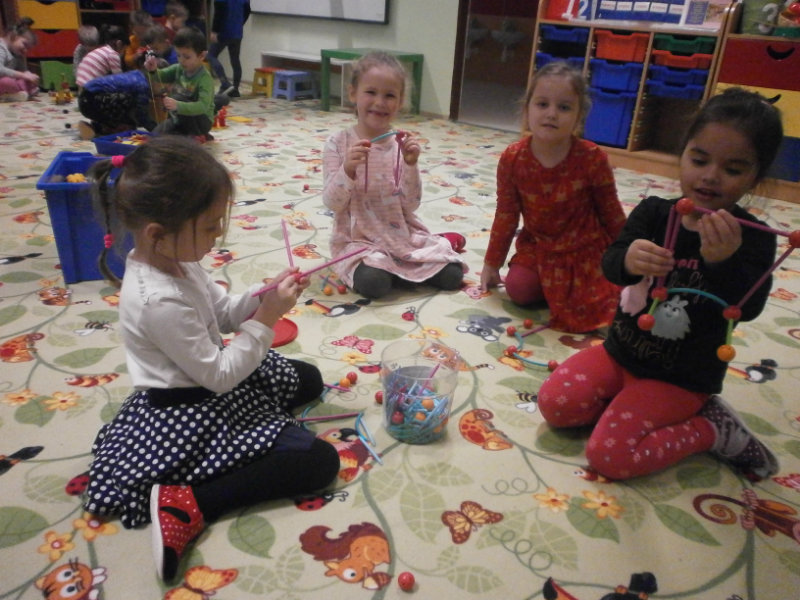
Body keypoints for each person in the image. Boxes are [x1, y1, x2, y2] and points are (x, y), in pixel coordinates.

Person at [83, 135, 340, 582]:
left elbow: (222, 313)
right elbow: (220, 376)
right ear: (157, 234)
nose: (218, 235)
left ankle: (250, 435)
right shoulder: (156, 299)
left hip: (209, 376)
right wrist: (268, 317)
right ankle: (191, 503)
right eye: (208, 227)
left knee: (309, 379)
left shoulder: (177, 260)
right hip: (190, 409)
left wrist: (263, 294)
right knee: (319, 462)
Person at [538, 88, 784, 482]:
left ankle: (712, 429)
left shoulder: (752, 237)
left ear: (755, 176)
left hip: (680, 380)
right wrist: (628, 260)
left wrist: (722, 262)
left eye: (733, 169)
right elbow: (611, 263)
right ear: (682, 153)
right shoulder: (655, 212)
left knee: (609, 455)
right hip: (620, 354)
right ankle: (626, 406)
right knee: (556, 405)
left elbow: (747, 308)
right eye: (699, 159)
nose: (710, 175)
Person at [480, 61, 626, 333]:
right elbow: (506, 215)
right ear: (527, 109)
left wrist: (627, 257)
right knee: (518, 288)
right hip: (539, 247)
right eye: (542, 104)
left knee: (609, 300)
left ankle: (566, 291)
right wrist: (492, 263)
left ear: (579, 116)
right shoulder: (512, 158)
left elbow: (611, 213)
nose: (551, 114)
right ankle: (556, 289)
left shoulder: (592, 158)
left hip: (585, 250)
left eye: (564, 107)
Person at [322, 51, 466, 299]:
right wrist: (347, 170)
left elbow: (411, 205)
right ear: (353, 93)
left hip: (401, 236)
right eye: (371, 92)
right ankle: (395, 271)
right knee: (374, 282)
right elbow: (332, 203)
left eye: (389, 95)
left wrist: (411, 165)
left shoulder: (401, 145)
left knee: (453, 275)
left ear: (400, 102)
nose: (380, 102)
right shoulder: (338, 143)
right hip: (359, 242)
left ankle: (403, 266)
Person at [143, 27, 215, 140]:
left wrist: (178, 105)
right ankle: (183, 134)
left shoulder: (205, 78)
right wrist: (152, 70)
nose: (181, 60)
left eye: (187, 57)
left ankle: (197, 134)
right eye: (178, 55)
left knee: (178, 97)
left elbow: (202, 106)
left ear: (201, 56)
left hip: (201, 122)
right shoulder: (179, 68)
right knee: (155, 135)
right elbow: (161, 76)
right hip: (178, 118)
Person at [77, 68, 157, 139]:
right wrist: (158, 131)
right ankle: (99, 127)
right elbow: (141, 114)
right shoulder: (142, 85)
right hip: (90, 103)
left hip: (86, 100)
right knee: (127, 101)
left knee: (131, 124)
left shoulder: (138, 75)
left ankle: (100, 125)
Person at [208, 0, 250, 97]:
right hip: (237, 32)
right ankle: (235, 89)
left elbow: (219, 12)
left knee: (211, 55)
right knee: (235, 60)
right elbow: (247, 11)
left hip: (224, 31)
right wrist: (239, 23)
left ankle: (225, 83)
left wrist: (214, 31)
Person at [75, 24, 128, 88]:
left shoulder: (103, 50)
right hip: (90, 86)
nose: (124, 53)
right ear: (119, 44)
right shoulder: (113, 54)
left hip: (81, 82)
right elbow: (119, 77)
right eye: (124, 50)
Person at [0, 17, 39, 102]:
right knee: (7, 82)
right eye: (24, 44)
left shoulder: (16, 52)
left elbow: (23, 71)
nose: (25, 50)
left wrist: (29, 76)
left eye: (28, 48)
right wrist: (22, 75)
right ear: (14, 36)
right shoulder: (1, 47)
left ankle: (14, 95)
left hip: (9, 85)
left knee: (26, 81)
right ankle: (14, 95)